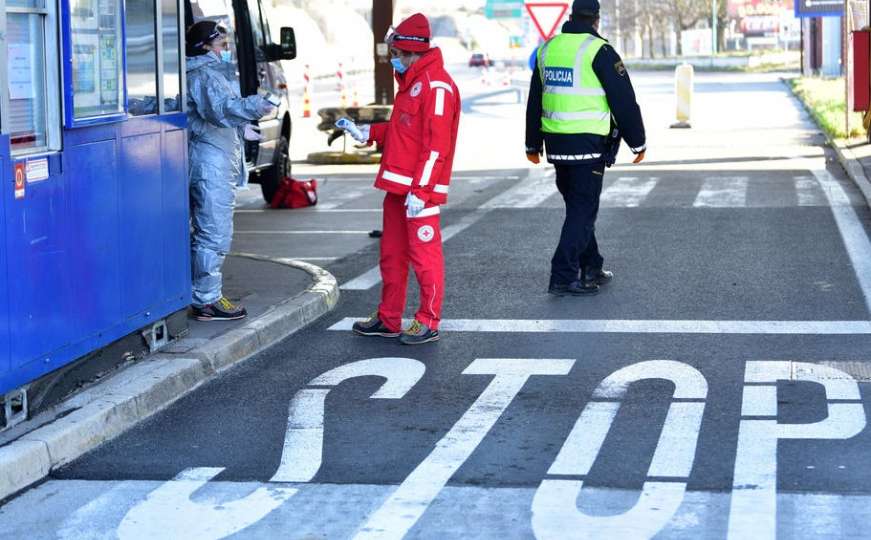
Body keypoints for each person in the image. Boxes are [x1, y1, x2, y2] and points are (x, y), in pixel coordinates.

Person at [338, 13, 461, 345]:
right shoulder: (413, 83)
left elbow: (436, 146)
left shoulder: (435, 86)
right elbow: (403, 130)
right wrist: (369, 132)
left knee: (424, 256)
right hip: (399, 188)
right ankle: (389, 317)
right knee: (392, 255)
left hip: (420, 191)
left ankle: (428, 319)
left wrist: (421, 191)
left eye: (396, 53)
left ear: (410, 52)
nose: (393, 58)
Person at [525, 0, 646, 297]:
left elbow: (535, 100)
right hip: (589, 146)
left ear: (571, 16)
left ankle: (592, 265)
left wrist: (532, 143)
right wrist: (638, 142)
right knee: (582, 211)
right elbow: (624, 101)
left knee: (578, 209)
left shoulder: (547, 49)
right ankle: (563, 276)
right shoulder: (599, 51)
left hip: (556, 145)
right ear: (597, 20)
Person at [185, 21, 275, 321]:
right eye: (222, 45)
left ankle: (202, 294)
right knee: (214, 232)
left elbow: (212, 115)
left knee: (208, 230)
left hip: (212, 158)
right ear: (205, 47)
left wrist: (240, 128)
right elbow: (221, 109)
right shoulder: (204, 74)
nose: (226, 51)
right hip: (210, 164)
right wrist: (255, 107)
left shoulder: (204, 73)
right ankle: (207, 299)